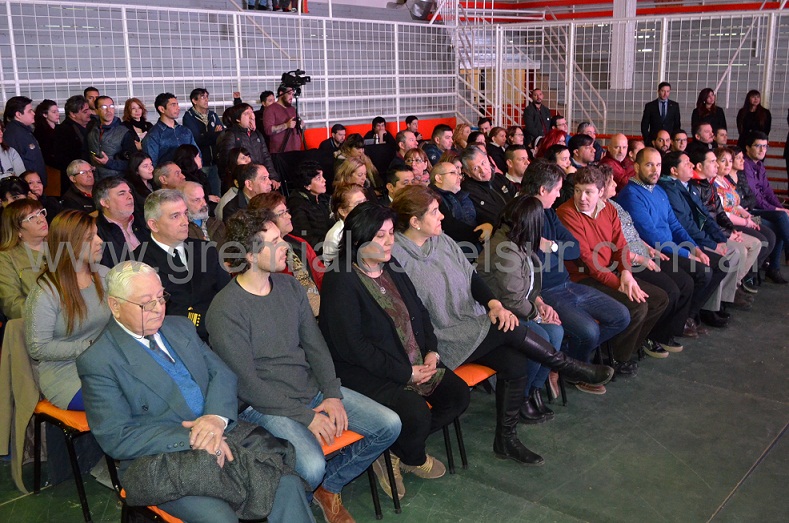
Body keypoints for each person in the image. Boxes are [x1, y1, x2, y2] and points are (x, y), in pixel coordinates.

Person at [77, 261, 315, 523]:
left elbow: (222, 373)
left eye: (161, 297)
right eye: (146, 303)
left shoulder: (180, 327)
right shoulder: (100, 360)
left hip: (222, 432)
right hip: (160, 457)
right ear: (115, 306)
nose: (158, 309)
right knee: (219, 518)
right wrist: (196, 437)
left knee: (285, 484)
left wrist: (215, 418)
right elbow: (117, 436)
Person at [391, 185, 613, 465]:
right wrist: (496, 312)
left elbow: (472, 278)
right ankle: (570, 366)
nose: (442, 216)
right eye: (435, 212)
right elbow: (409, 314)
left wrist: (494, 304)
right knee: (506, 327)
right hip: (441, 338)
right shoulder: (396, 256)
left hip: (470, 323)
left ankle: (505, 440)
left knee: (515, 363)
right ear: (414, 221)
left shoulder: (442, 240)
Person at [207, 209, 401, 523]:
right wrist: (307, 417)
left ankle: (328, 487)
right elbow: (247, 384)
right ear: (250, 255)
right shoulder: (226, 309)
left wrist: (332, 393)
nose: (285, 245)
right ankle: (300, 499)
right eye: (274, 242)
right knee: (311, 466)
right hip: (264, 405)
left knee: (389, 425)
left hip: (307, 389)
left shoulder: (290, 287)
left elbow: (316, 346)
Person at [319, 202, 469, 499]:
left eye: (391, 233)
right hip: (368, 372)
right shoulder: (341, 278)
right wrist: (406, 373)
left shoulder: (391, 265)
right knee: (416, 414)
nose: (390, 241)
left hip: (413, 360)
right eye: (381, 235)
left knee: (457, 396)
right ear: (359, 240)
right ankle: (411, 455)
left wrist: (432, 351)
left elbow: (419, 311)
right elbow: (353, 348)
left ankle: (395, 451)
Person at [520, 161, 630, 393]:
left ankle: (563, 361)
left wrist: (551, 246)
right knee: (589, 331)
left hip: (566, 283)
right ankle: (575, 371)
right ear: (543, 190)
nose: (561, 195)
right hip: (544, 291)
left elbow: (574, 248)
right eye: (558, 190)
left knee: (621, 316)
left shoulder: (549, 213)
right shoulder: (520, 217)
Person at [557, 166, 671, 366]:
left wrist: (626, 273)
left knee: (660, 299)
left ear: (601, 192)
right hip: (583, 277)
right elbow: (588, 260)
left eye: (588, 192)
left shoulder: (608, 209)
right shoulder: (567, 213)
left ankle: (623, 348)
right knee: (637, 306)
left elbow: (621, 245)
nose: (581, 197)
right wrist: (620, 284)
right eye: (577, 190)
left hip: (609, 272)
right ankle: (617, 359)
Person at [476, 196, 565, 421]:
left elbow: (528, 285)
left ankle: (534, 389)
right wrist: (537, 316)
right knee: (542, 337)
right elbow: (512, 300)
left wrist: (540, 304)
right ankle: (520, 398)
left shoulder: (517, 239)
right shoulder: (505, 249)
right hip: (499, 313)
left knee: (556, 332)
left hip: (519, 307)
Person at [25, 210, 109, 410]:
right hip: (66, 375)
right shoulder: (46, 291)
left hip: (107, 363)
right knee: (129, 395)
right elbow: (38, 348)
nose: (100, 242)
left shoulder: (104, 275)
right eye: (90, 238)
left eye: (97, 234)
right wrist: (88, 346)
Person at [134, 189, 230, 340]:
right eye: (175, 216)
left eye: (185, 213)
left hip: (219, 330)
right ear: (154, 225)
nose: (185, 221)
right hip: (175, 340)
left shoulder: (205, 249)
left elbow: (226, 294)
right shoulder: (138, 263)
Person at [247, 192, 325, 315]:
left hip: (319, 308)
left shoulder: (299, 243)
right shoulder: (262, 257)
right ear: (267, 221)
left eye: (286, 211)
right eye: (282, 213)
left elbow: (321, 275)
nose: (289, 216)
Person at [714, 147, 775, 291]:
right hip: (733, 222)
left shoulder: (735, 178)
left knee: (770, 231)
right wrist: (746, 220)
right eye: (724, 161)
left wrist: (747, 215)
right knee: (764, 239)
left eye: (730, 160)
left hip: (746, 214)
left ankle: (757, 271)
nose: (742, 161)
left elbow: (750, 199)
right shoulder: (716, 183)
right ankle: (747, 278)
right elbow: (725, 213)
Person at [741, 131, 789, 283]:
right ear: (747, 148)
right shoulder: (745, 165)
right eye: (758, 146)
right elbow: (756, 198)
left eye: (765, 146)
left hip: (761, 211)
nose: (762, 150)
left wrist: (780, 207)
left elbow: (768, 193)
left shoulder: (760, 165)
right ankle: (773, 268)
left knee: (783, 217)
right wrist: (777, 210)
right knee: (779, 222)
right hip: (750, 214)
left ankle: (773, 268)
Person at [0, 199, 48, 319]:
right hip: (34, 323)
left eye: (40, 212)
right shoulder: (6, 257)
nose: (41, 219)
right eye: (31, 217)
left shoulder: (60, 246)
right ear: (17, 230)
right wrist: (48, 314)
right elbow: (12, 304)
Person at [429, 161, 488, 257]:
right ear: (439, 178)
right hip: (459, 251)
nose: (459, 177)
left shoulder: (461, 194)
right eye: (453, 173)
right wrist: (480, 234)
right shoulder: (433, 199)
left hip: (476, 245)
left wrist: (488, 224)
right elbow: (450, 227)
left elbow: (479, 213)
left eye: (459, 174)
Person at [216, 103, 279, 187]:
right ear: (238, 119)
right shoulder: (231, 135)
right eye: (246, 113)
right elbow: (225, 161)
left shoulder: (257, 134)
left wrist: (273, 177)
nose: (252, 116)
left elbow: (266, 156)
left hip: (259, 179)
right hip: (243, 181)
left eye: (252, 112)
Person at [94, 176, 150, 267]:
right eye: (122, 193)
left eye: (130, 192)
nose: (130, 197)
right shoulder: (96, 232)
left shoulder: (144, 220)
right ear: (105, 202)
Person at [182, 88, 225, 197]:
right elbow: (197, 139)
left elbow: (222, 135)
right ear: (194, 100)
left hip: (215, 161)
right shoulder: (189, 117)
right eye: (202, 97)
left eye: (207, 97)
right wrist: (214, 134)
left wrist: (209, 135)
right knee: (202, 194)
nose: (206, 100)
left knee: (216, 194)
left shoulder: (213, 115)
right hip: (200, 163)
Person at [460, 146, 515, 226]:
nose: (483, 170)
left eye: (483, 163)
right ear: (467, 172)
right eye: (475, 168)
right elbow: (495, 217)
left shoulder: (499, 178)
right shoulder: (469, 190)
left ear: (487, 158)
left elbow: (519, 197)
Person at [87, 95, 136, 180]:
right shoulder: (91, 130)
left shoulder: (124, 132)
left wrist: (109, 162)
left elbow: (133, 163)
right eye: (104, 107)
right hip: (96, 180)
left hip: (117, 180)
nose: (108, 110)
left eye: (111, 106)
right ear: (96, 111)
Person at [3, 96, 47, 185]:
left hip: (35, 184)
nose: (33, 113)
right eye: (30, 111)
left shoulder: (24, 131)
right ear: (18, 114)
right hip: (27, 186)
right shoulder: (14, 134)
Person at [322, 184, 367, 265]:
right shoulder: (335, 235)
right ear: (342, 211)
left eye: (365, 202)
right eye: (358, 204)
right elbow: (331, 266)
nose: (365, 207)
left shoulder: (370, 223)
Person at [52, 95, 91, 182]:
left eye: (89, 109)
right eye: (85, 111)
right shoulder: (63, 131)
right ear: (73, 114)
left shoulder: (92, 125)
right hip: (75, 178)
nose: (89, 113)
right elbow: (63, 160)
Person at [182, 181, 226, 247]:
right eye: (197, 200)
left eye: (203, 197)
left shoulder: (217, 223)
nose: (204, 203)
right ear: (182, 202)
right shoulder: (182, 229)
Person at [263, 85, 302, 153]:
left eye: (292, 94)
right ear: (281, 93)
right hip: (280, 152)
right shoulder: (270, 109)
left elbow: (301, 126)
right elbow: (268, 130)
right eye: (289, 94)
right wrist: (286, 125)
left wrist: (301, 124)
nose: (291, 97)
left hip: (296, 150)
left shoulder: (292, 109)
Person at [33, 99, 59, 169]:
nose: (57, 114)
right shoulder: (40, 132)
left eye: (57, 111)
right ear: (45, 114)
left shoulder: (60, 128)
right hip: (50, 167)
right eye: (54, 112)